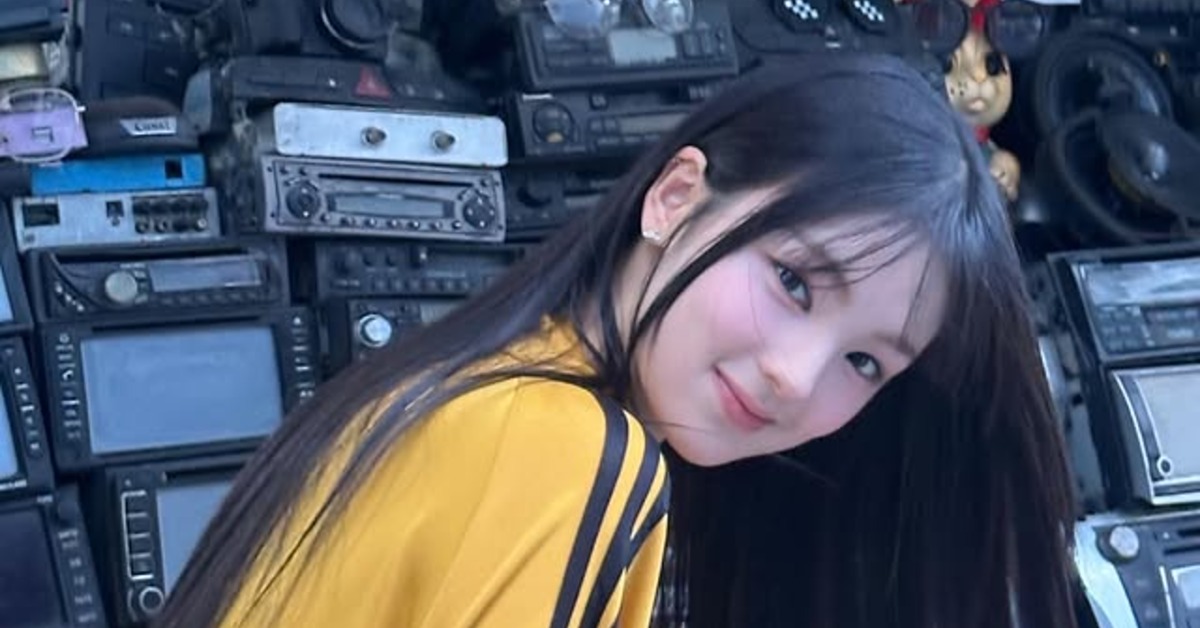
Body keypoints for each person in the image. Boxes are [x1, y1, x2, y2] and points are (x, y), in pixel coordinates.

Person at [155, 53, 1080, 628]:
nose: (797, 378)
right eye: (794, 282)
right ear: (675, 197)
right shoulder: (576, 454)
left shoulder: (469, 385)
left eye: (865, 362)